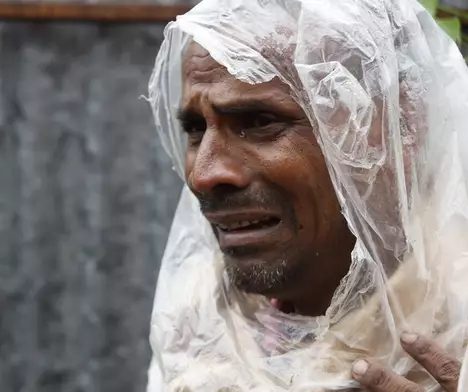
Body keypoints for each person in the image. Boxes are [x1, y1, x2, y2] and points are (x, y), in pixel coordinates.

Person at [146, 0, 468, 391]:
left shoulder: (456, 321)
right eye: (197, 129)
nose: (204, 174)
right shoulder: (200, 315)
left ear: (397, 125)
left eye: (260, 122)